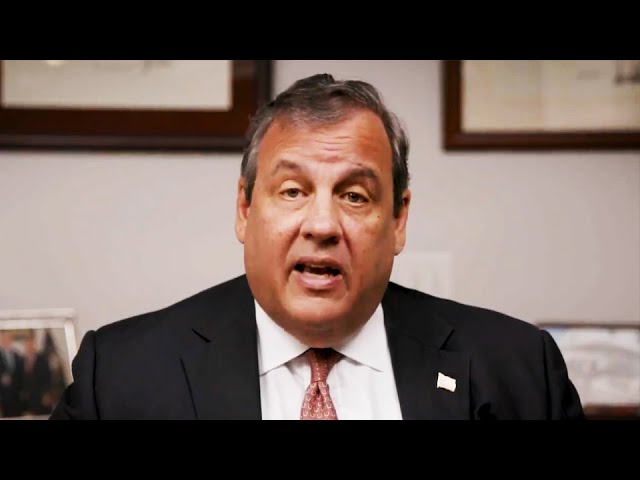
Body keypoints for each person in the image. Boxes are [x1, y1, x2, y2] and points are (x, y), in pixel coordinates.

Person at [50, 73, 585, 420]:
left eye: (354, 196)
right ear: (244, 209)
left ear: (398, 219)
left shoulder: (520, 370)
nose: (323, 225)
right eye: (292, 191)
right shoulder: (120, 376)